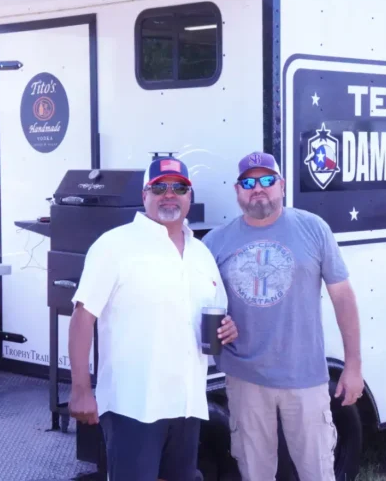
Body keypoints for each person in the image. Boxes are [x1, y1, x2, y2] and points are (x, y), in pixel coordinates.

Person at [67, 156, 238, 481]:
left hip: (187, 404)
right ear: (144, 195)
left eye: (179, 188)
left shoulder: (201, 253)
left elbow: (215, 314)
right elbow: (82, 318)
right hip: (133, 405)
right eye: (159, 187)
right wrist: (80, 389)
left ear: (190, 196)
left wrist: (227, 328)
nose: (169, 194)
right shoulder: (115, 245)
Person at [200, 151, 363, 481]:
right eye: (248, 183)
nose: (258, 188)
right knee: (254, 473)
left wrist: (353, 365)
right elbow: (203, 302)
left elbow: (343, 297)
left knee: (317, 471)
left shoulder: (313, 229)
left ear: (282, 185)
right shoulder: (215, 242)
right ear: (237, 190)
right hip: (244, 380)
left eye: (266, 180)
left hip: (306, 379)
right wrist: (223, 324)